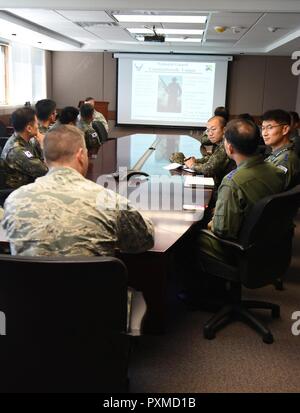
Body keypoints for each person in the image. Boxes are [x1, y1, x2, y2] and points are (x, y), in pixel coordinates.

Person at [2, 124, 154, 257]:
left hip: (28, 290)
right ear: (81, 155)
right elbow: (145, 240)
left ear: (45, 158)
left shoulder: (14, 201)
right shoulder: (108, 201)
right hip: (90, 289)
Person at [198, 118, 286, 263]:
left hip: (237, 249)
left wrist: (211, 221)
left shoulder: (232, 182)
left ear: (230, 148)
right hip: (266, 245)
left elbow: (223, 230)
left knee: (190, 237)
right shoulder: (277, 171)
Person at [172, 116, 234, 188]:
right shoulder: (219, 142)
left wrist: (192, 165)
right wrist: (195, 161)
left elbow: (209, 169)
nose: (210, 134)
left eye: (213, 129)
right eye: (208, 130)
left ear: (224, 130)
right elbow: (212, 158)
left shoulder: (225, 145)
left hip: (222, 187)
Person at [1, 107, 48, 189]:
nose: (38, 126)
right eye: (37, 123)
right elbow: (45, 171)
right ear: (29, 128)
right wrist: (43, 147)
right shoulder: (17, 150)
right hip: (20, 193)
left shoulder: (26, 139)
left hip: (30, 185)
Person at [262, 109, 300, 189]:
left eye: (270, 127)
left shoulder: (286, 160)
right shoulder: (278, 154)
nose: (264, 133)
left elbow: (268, 190)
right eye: (263, 128)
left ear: (285, 129)